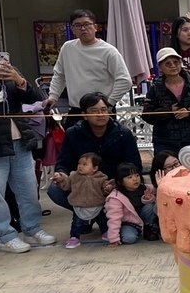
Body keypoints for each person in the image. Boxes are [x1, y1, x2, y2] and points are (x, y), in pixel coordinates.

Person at [0, 31, 56, 253]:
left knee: (28, 191)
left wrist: (18, 80)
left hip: (19, 142)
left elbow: (36, 99)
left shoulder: (9, 73)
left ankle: (32, 229)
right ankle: (6, 236)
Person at [48, 92, 142, 226]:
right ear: (84, 114)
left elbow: (134, 163)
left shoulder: (123, 133)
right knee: (55, 190)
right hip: (85, 186)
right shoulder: (74, 133)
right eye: (94, 111)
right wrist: (61, 174)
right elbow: (64, 162)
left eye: (104, 110)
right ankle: (85, 216)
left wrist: (118, 181)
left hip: (115, 184)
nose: (101, 114)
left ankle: (112, 215)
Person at [44, 9, 132, 122]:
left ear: (95, 27)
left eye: (87, 24)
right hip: (76, 110)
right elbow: (59, 75)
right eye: (78, 25)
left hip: (101, 111)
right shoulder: (67, 48)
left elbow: (125, 81)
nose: (83, 28)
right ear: (72, 29)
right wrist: (53, 97)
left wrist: (109, 103)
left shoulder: (109, 51)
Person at [141, 48, 190, 156]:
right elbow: (146, 114)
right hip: (164, 140)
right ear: (160, 68)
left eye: (176, 62)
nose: (173, 66)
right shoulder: (155, 88)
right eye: (168, 64)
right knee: (165, 170)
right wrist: (168, 112)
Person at [59, 152, 108, 248]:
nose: (80, 166)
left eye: (84, 164)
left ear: (95, 168)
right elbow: (66, 186)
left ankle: (106, 232)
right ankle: (74, 238)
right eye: (79, 164)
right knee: (76, 224)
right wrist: (61, 180)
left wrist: (108, 187)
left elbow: (105, 188)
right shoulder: (74, 176)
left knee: (103, 220)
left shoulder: (101, 177)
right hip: (79, 205)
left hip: (97, 205)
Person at [105, 162, 159, 245]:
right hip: (130, 223)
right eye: (129, 177)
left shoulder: (147, 188)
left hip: (146, 221)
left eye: (137, 175)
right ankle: (126, 232)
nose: (135, 179)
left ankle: (150, 229)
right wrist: (113, 238)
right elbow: (114, 218)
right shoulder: (116, 197)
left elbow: (160, 198)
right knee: (129, 239)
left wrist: (150, 198)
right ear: (120, 181)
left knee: (150, 207)